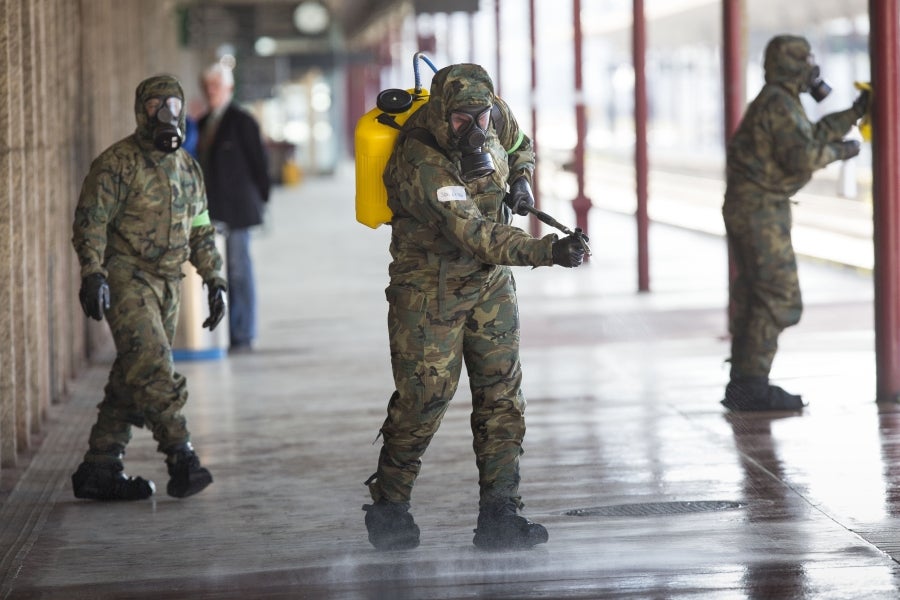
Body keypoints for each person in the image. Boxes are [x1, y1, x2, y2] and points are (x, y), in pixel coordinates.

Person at [362, 63, 587, 551]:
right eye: (462, 120)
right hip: (429, 292)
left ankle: (500, 515)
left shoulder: (491, 114)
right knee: (423, 401)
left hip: (490, 286)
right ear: (442, 114)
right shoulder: (422, 160)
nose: (475, 129)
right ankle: (389, 504)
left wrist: (522, 177)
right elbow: (477, 235)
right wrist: (548, 250)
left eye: (480, 117)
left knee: (503, 398)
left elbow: (520, 143)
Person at [70, 74, 227, 500]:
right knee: (154, 365)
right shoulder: (116, 163)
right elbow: (92, 222)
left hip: (169, 284)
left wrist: (214, 278)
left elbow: (200, 229)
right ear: (142, 111)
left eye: (173, 106)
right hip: (127, 277)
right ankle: (182, 456)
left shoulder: (188, 168)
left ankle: (100, 467)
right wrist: (93, 272)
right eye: (157, 105)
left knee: (132, 374)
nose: (166, 115)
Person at [721, 35, 869, 412]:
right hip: (760, 209)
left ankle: (744, 384)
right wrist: (843, 151)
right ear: (793, 65)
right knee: (779, 297)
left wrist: (853, 113)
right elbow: (802, 157)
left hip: (756, 206)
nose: (812, 69)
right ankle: (750, 386)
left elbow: (811, 135)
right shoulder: (779, 103)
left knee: (758, 295)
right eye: (806, 60)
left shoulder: (780, 101)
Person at [197, 63, 270, 353]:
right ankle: (222, 332)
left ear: (229, 88)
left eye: (216, 86)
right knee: (216, 272)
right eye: (208, 86)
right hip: (211, 210)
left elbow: (259, 164)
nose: (211, 91)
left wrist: (260, 199)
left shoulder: (242, 121)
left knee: (239, 271)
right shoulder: (203, 124)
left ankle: (242, 333)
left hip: (238, 210)